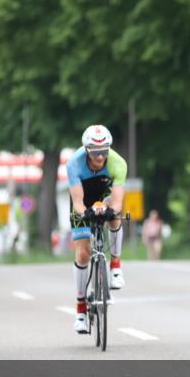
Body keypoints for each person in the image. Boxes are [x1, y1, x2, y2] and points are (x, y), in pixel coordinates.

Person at [67, 124, 128, 334]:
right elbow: (77, 202)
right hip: (82, 198)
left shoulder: (118, 163)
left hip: (105, 192)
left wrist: (110, 209)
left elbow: (118, 201)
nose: (100, 157)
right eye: (95, 152)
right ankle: (81, 309)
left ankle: (116, 266)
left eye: (104, 151)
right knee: (83, 253)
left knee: (115, 216)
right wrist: (85, 212)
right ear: (86, 149)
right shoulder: (73, 165)